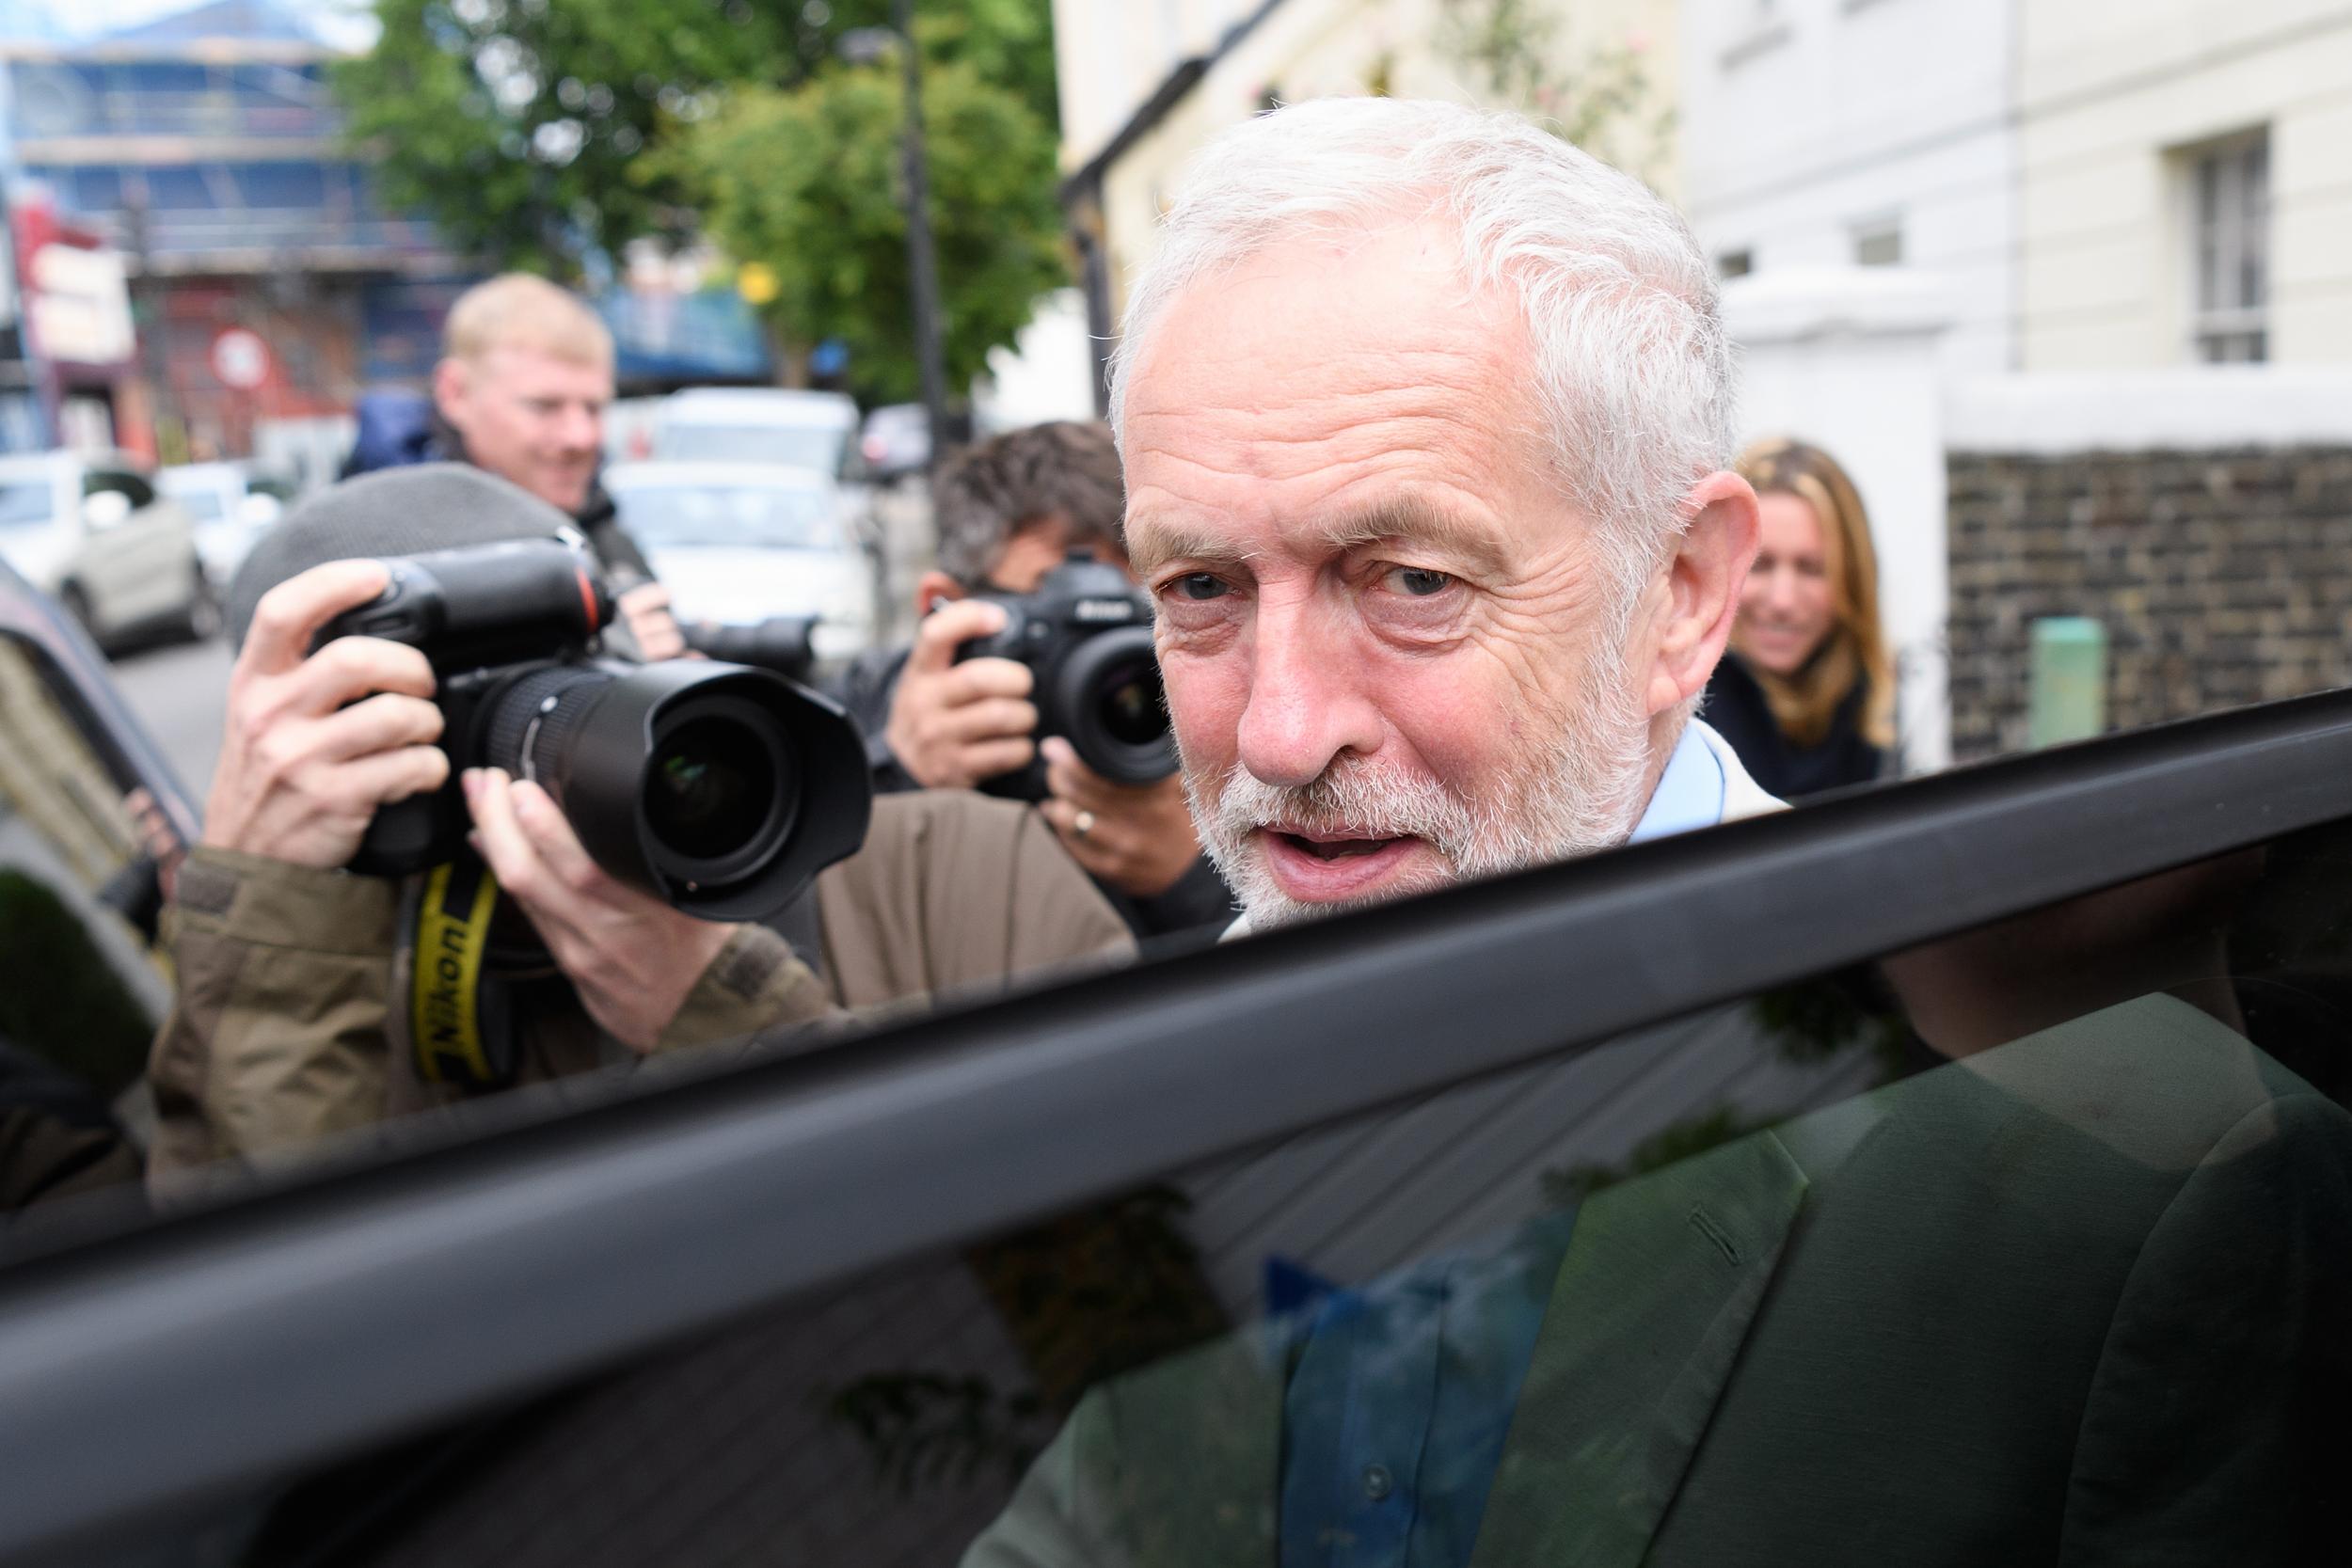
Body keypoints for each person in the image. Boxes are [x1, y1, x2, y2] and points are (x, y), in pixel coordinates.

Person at [958, 98, 2349, 1568]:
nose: (1283, 729)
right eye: (1200, 590)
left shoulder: (2135, 1177)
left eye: (1412, 579)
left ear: (1684, 592)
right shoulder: (1159, 1108)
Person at [146, 466, 1134, 1179]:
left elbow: (1110, 1255)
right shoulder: (328, 1000)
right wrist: (269, 913)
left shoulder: (966, 876)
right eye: (449, 703)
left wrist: (722, 1010)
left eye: (565, 667)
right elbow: (274, 1380)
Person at [834, 422, 1232, 938]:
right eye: (1061, 617)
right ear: (943, 608)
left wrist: (1191, 874)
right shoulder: (838, 738)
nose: (1110, 655)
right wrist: (899, 777)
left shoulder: (1237, 722)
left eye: (1147, 604)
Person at [343, 273, 687, 660]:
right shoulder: (370, 545)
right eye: (544, 406)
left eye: (593, 408)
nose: (582, 437)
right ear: (455, 393)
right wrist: (596, 650)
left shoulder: (599, 525)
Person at [1701, 438, 1896, 798]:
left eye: (1811, 569)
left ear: (1852, 581)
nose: (1782, 601)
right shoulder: (1679, 730)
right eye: (1760, 564)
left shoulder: (1860, 715)